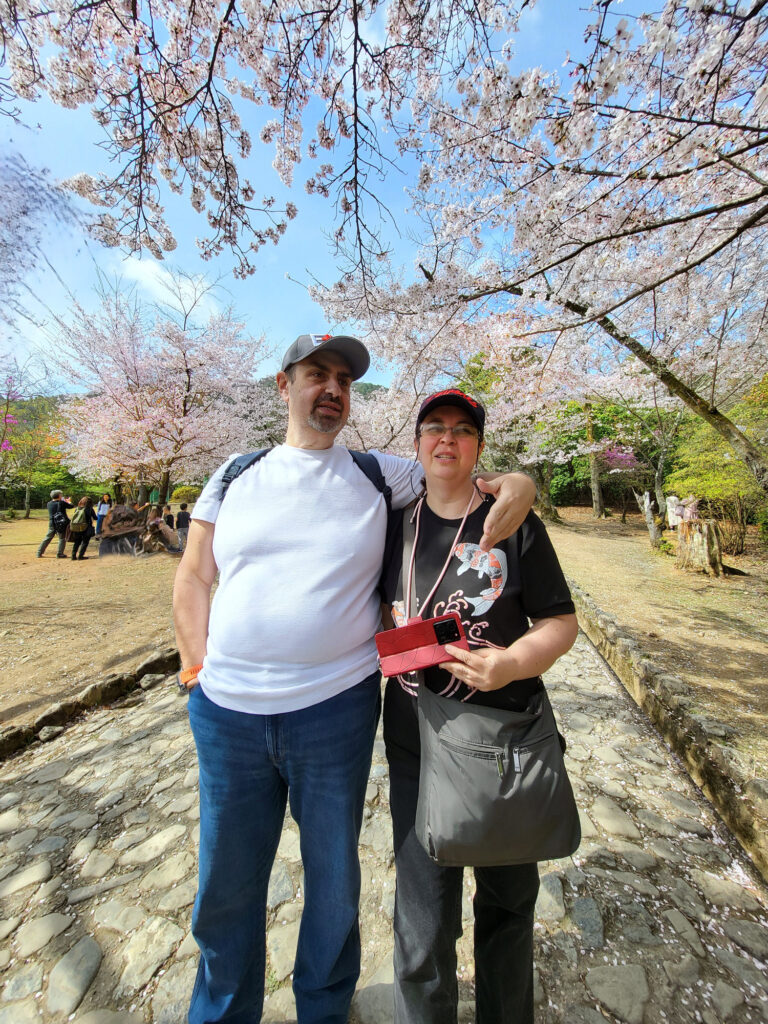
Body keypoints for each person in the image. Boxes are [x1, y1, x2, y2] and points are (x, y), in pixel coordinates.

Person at [172, 333, 537, 1024]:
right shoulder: (234, 472)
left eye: (344, 380)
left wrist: (521, 483)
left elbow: (460, 470)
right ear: (284, 385)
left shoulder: (378, 474)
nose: (332, 389)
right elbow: (194, 574)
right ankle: (221, 1013)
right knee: (226, 884)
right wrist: (195, 665)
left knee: (334, 882)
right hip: (227, 715)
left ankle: (324, 1009)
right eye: (317, 374)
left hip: (333, 710)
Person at [380, 390, 579, 1024]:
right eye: (434, 427)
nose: (448, 439)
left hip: (504, 741)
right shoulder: (393, 524)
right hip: (416, 738)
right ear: (417, 444)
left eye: (463, 430)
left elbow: (560, 621)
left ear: (479, 448)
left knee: (508, 906)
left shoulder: (512, 522)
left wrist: (511, 663)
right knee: (423, 916)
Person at [37, 489, 73, 558]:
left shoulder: (49, 503)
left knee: (47, 538)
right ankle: (60, 553)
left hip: (52, 523)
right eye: (61, 495)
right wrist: (69, 501)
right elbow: (71, 506)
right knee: (62, 538)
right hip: (61, 523)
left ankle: (39, 552)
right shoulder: (62, 503)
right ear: (59, 495)